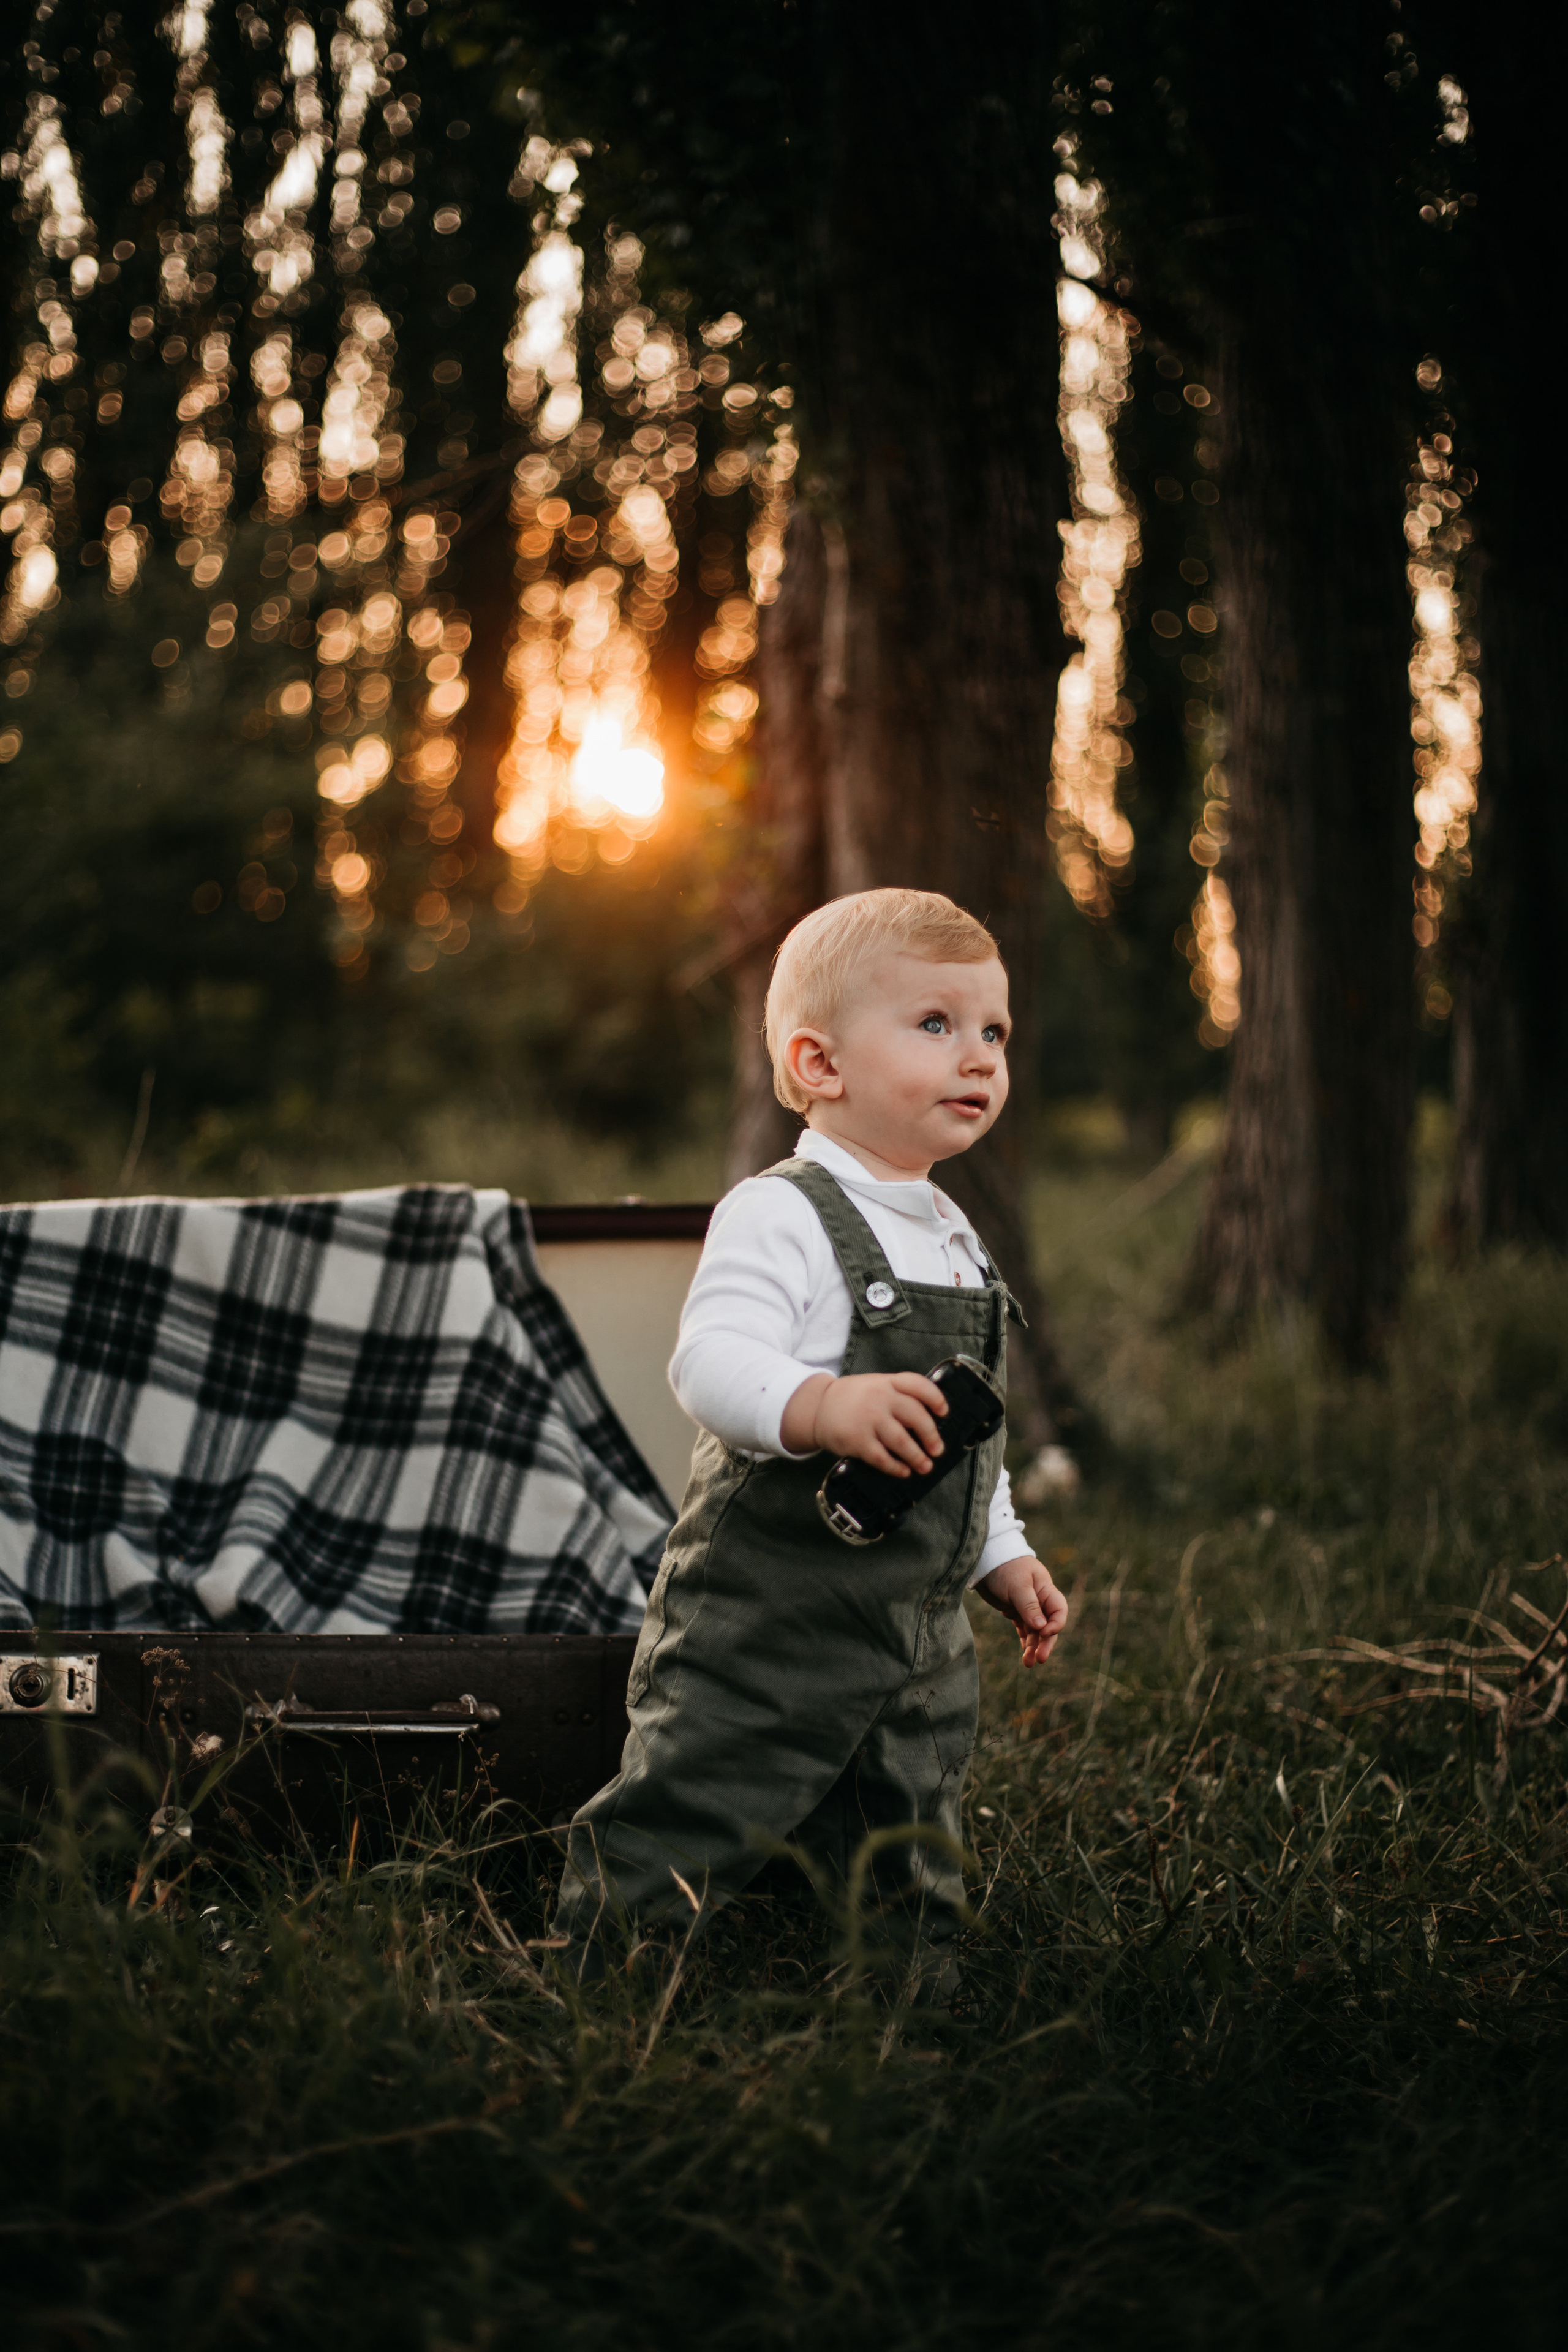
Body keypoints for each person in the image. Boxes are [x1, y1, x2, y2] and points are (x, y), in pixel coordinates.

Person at [555, 888, 1070, 1986]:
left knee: (913, 1809)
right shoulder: (782, 1210)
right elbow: (710, 1363)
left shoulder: (954, 1232)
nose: (978, 1056)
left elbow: (969, 1434)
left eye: (994, 1032)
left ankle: (904, 1992)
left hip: (911, 1630)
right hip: (769, 1614)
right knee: (700, 1785)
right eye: (936, 1025)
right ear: (821, 1066)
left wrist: (1001, 1549)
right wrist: (822, 1405)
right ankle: (610, 1964)